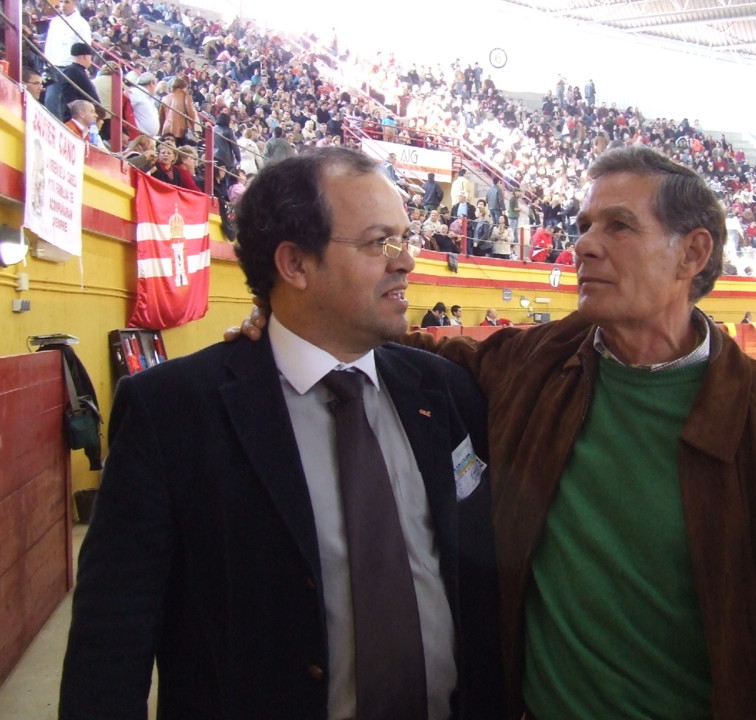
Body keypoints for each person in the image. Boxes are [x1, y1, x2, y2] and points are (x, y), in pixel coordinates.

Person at [234, 146, 756, 719]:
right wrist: (289, 318)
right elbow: (415, 353)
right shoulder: (534, 365)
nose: (583, 244)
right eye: (583, 225)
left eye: (618, 226)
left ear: (692, 253)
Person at [60, 148, 504, 719]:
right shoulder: (171, 411)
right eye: (380, 243)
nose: (408, 261)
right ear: (294, 264)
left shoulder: (444, 390)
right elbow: (110, 641)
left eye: (404, 238)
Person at [42, 0, 91, 118]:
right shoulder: (55, 21)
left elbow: (84, 47)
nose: (63, 5)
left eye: (66, 2)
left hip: (71, 68)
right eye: (61, 2)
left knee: (68, 105)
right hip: (54, 66)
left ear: (74, 3)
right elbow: (49, 44)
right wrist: (47, 63)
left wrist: (80, 68)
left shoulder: (82, 23)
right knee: (51, 101)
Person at [58, 43, 100, 123]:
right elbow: (70, 98)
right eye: (90, 57)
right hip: (77, 121)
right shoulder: (72, 71)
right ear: (85, 56)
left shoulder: (78, 71)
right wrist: (84, 116)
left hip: (84, 120)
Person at [158, 76, 200, 146]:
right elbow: (191, 113)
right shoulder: (186, 97)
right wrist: (193, 127)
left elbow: (161, 116)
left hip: (167, 130)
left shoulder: (165, 98)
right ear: (184, 87)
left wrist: (160, 130)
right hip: (181, 130)